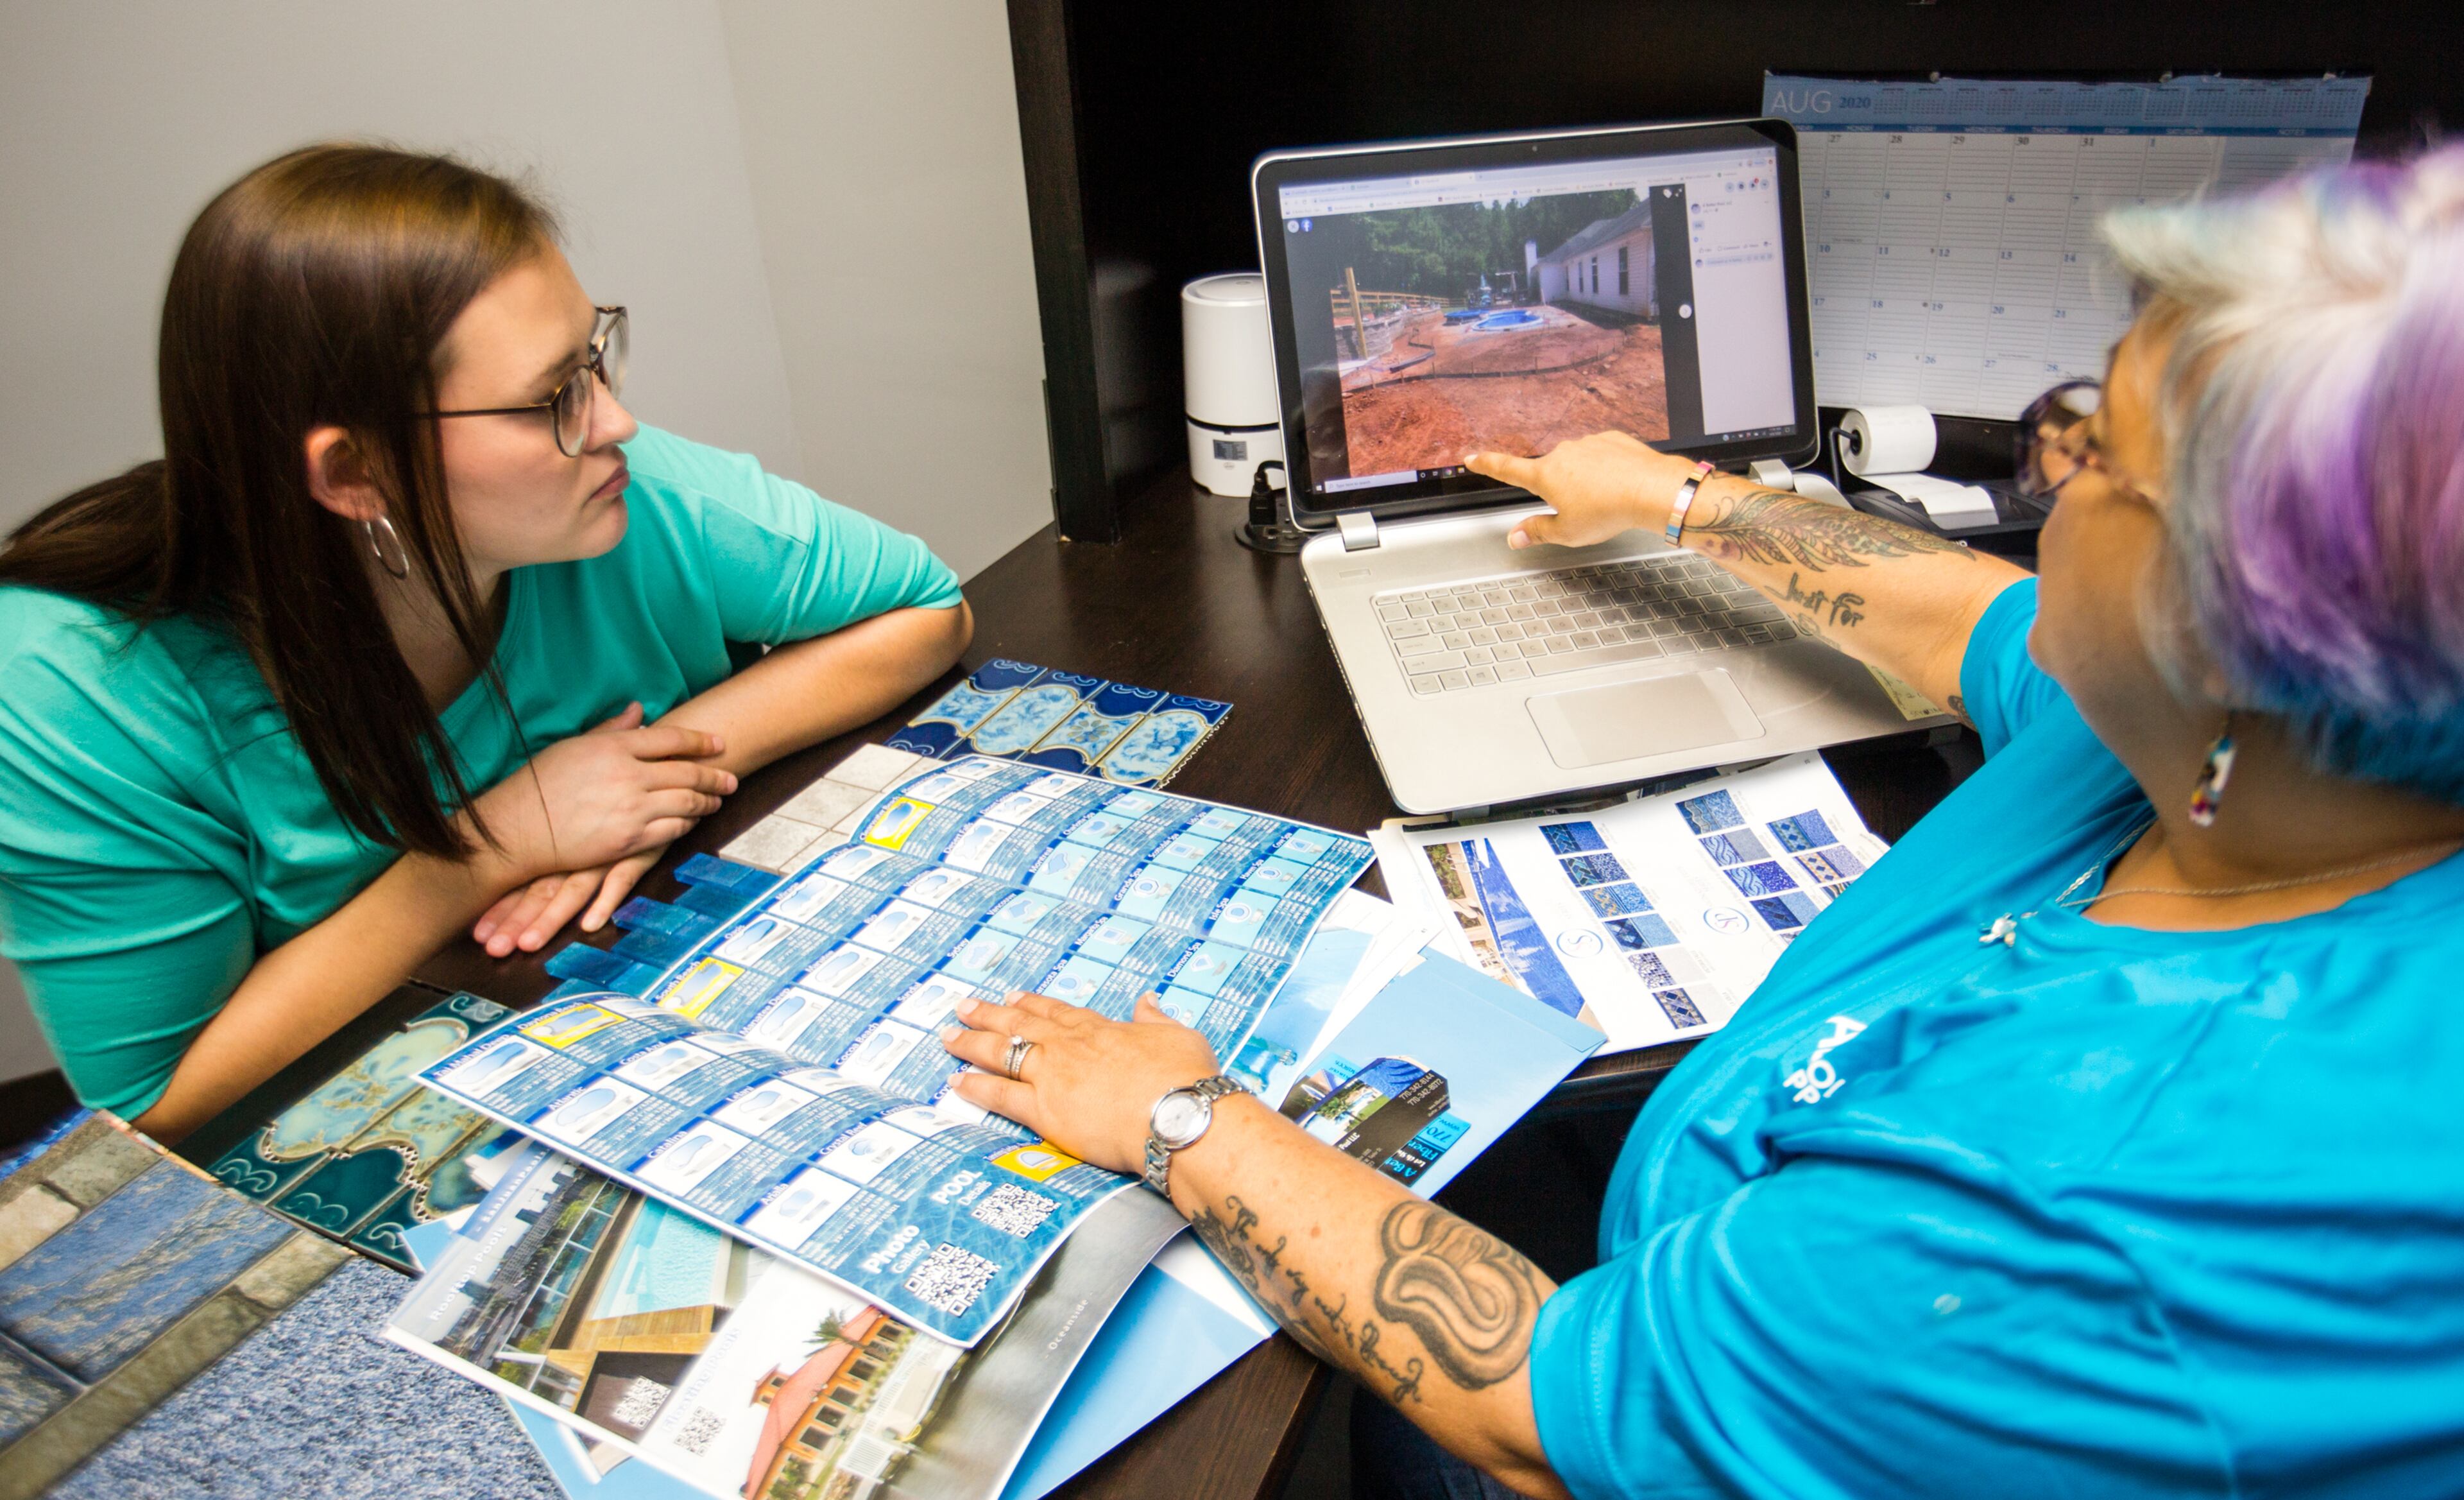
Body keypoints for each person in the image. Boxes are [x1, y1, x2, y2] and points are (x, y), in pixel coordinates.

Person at [941, 147, 2464, 1497]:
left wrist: (1180, 1116)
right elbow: (1972, 619)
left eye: (2092, 447)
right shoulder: (2264, 762)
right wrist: (1675, 498)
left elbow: (1542, 1414)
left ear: (2232, 632)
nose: (2044, 471)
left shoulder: (2075, 1202)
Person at [0, 145, 971, 1141]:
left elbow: (928, 607)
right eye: (554, 398)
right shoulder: (71, 683)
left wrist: (656, 773)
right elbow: (150, 1107)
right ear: (354, 473)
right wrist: (490, 844)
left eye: (593, 358)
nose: (617, 421)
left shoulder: (619, 491)